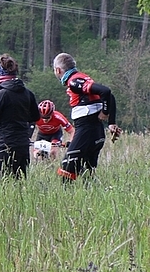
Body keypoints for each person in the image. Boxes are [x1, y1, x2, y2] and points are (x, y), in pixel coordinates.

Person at [52, 52, 122, 181]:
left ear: (58, 70)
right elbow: (109, 97)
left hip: (87, 129)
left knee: (67, 167)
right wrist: (111, 122)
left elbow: (106, 91)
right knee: (86, 172)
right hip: (96, 131)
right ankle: (94, 197)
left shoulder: (74, 81)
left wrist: (105, 113)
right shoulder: (82, 77)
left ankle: (67, 199)